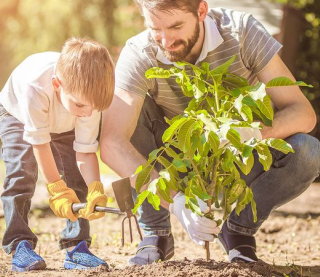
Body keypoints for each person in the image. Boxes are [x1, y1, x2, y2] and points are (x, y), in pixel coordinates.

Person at [100, 0, 320, 265]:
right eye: (155, 28)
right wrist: (175, 201)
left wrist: (253, 132)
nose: (165, 40)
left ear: (201, 11)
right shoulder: (140, 52)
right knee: (130, 108)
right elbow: (112, 142)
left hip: (236, 159)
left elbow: (303, 113)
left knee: (309, 151)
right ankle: (155, 234)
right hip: (175, 163)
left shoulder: (242, 33)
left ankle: (238, 232)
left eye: (176, 26)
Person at [0, 37, 115, 271]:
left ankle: (76, 247)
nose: (89, 113)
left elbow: (85, 151)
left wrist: (95, 187)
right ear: (56, 84)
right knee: (21, 174)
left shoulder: (86, 102)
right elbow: (40, 143)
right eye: (82, 105)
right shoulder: (35, 87)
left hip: (65, 121)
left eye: (94, 108)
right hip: (18, 114)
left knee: (77, 177)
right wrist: (57, 189)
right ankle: (19, 244)